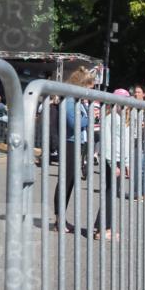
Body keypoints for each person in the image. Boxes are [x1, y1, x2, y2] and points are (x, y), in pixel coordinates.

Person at [54, 66, 95, 233]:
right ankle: (58, 219)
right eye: (89, 86)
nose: (90, 90)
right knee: (66, 180)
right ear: (81, 84)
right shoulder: (70, 100)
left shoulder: (75, 100)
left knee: (69, 180)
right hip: (69, 142)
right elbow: (74, 123)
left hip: (74, 142)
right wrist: (89, 118)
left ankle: (61, 218)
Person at [94, 88, 131, 240]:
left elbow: (124, 142)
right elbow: (108, 144)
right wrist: (113, 164)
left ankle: (101, 226)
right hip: (112, 159)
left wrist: (126, 163)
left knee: (111, 193)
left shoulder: (118, 117)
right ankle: (103, 228)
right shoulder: (111, 118)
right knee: (109, 193)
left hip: (117, 160)